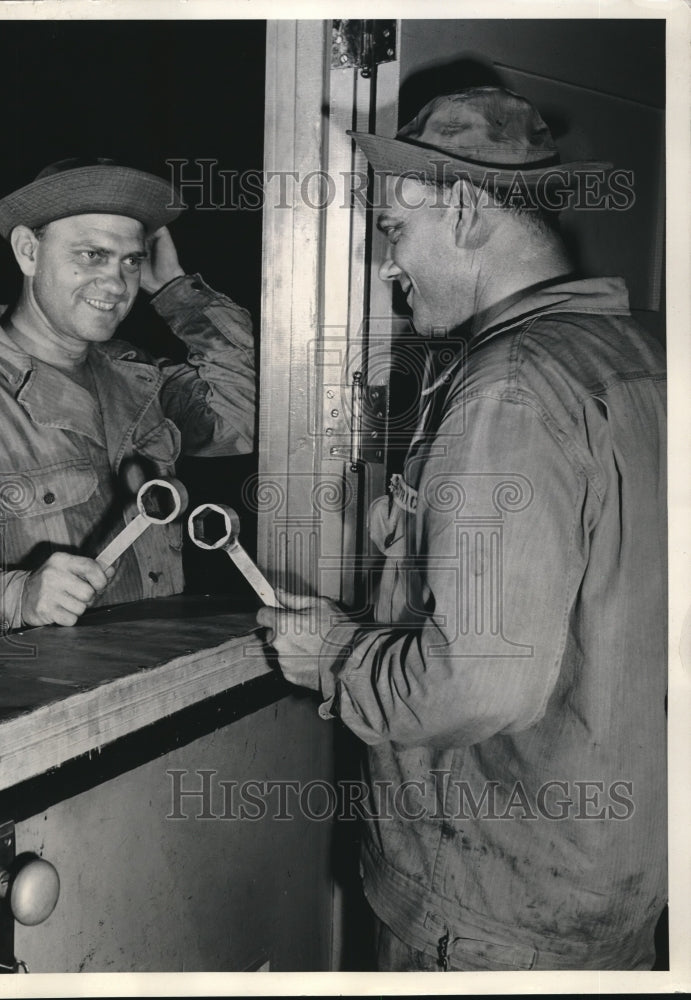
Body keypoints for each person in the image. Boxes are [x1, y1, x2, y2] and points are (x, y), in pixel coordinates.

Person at [258, 87, 667, 971]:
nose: (385, 264)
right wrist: (414, 533)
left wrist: (330, 653)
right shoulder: (646, 355)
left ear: (465, 209)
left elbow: (478, 687)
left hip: (492, 913)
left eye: (394, 232)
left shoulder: (513, 387)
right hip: (620, 888)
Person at [0, 158, 255, 636]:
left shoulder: (134, 375)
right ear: (29, 251)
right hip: (38, 698)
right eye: (91, 254)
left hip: (159, 672)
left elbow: (240, 421)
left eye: (130, 260)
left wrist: (176, 291)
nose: (116, 283)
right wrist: (18, 596)